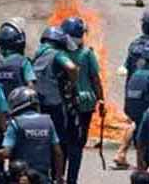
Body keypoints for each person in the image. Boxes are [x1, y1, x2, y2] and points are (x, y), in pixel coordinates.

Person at [60, 17, 105, 184]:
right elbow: (95, 79)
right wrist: (101, 100)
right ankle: (71, 179)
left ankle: (60, 176)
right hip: (84, 105)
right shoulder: (86, 54)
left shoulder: (59, 53)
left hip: (65, 103)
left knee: (64, 142)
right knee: (77, 144)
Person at [0, 87, 63, 183]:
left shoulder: (15, 123)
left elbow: (5, 153)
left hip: (20, 177)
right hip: (43, 177)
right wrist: (59, 177)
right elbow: (58, 153)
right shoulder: (48, 122)